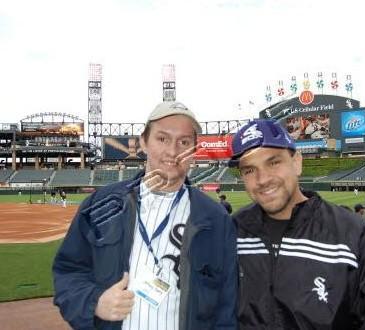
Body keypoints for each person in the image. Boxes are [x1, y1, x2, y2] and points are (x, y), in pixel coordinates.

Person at [53, 101, 238, 330]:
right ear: (143, 142)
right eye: (162, 139)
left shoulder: (216, 219)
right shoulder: (100, 206)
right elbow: (69, 271)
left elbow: (226, 308)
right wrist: (95, 303)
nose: (173, 151)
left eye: (184, 142)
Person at [229, 119, 365, 329]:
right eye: (249, 170)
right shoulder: (232, 231)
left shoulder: (354, 235)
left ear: (297, 162)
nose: (262, 179)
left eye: (273, 162)